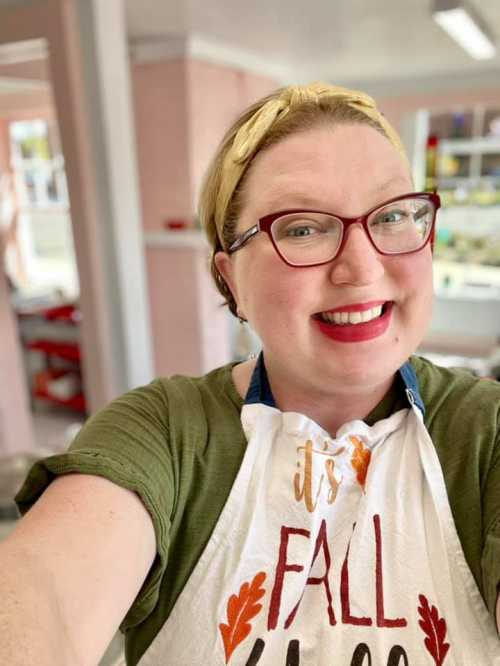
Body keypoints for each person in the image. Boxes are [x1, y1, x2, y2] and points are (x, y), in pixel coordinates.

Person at [1, 82, 500, 666]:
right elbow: (44, 595)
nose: (362, 269)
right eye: (301, 228)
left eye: (391, 215)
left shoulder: (485, 432)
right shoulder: (164, 433)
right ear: (231, 279)